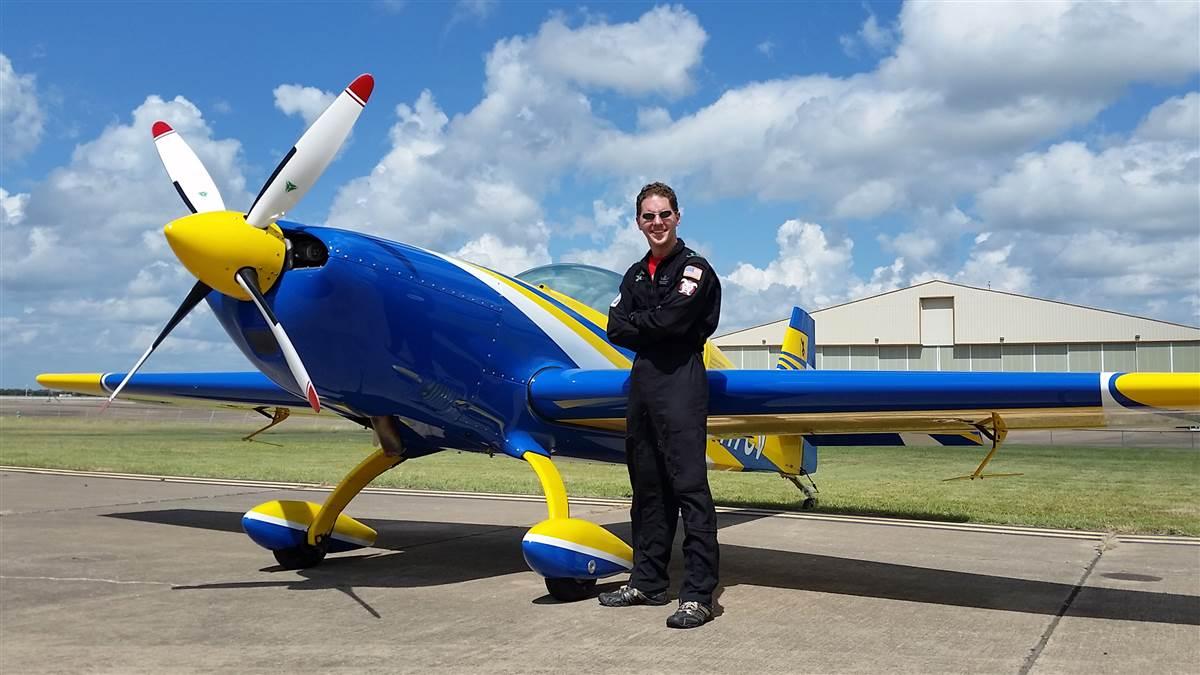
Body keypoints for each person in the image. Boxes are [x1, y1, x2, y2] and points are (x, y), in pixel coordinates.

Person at [601, 182, 721, 629]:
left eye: (664, 215)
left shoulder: (695, 269)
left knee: (690, 489)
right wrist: (650, 325)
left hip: (682, 382)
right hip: (644, 385)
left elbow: (676, 321)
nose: (657, 223)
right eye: (648, 217)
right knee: (647, 489)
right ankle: (648, 582)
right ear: (638, 222)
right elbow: (615, 328)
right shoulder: (633, 275)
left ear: (677, 217)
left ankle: (697, 595)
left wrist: (642, 324)